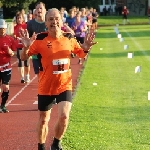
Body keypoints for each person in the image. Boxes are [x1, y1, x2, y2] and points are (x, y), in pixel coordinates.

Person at [20, 8, 97, 150]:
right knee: (43, 119)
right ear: (46, 23)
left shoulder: (69, 38)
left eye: (57, 19)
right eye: (50, 19)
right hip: (46, 87)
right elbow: (24, 57)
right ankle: (41, 146)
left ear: (61, 21)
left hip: (64, 85)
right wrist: (25, 48)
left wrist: (85, 48)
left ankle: (56, 144)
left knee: (64, 117)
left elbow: (81, 55)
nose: (54, 22)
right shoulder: (40, 40)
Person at [0, 19, 17, 113]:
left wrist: (11, 53)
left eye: (3, 29)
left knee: (5, 87)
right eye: (0, 29)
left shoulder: (10, 39)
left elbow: (13, 52)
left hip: (6, 67)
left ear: (6, 29)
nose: (2, 30)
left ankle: (3, 105)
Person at [27, 2, 47, 77]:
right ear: (35, 11)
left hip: (48, 52)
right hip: (36, 54)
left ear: (45, 10)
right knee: (39, 76)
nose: (39, 10)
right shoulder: (30, 23)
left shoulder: (49, 22)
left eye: (41, 8)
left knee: (48, 75)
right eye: (37, 8)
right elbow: (28, 38)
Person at [14, 12, 30, 83]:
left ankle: (27, 75)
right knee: (20, 62)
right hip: (19, 47)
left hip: (26, 47)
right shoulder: (15, 27)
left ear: (23, 19)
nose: (19, 19)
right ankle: (22, 77)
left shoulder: (26, 26)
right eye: (17, 18)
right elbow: (14, 36)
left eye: (20, 18)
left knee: (26, 63)